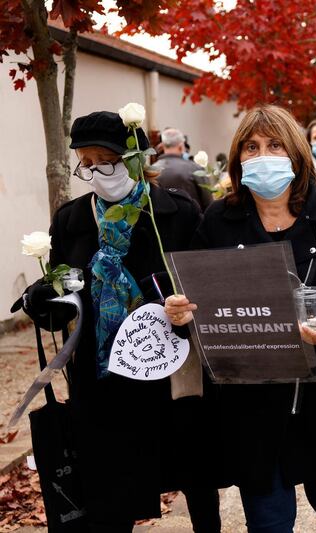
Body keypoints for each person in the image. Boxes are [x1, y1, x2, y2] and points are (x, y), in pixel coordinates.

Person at [165, 105, 316, 533]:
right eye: (251, 147)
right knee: (267, 520)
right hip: (251, 405)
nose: (262, 155)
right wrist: (180, 314)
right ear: (237, 160)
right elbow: (196, 297)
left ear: (296, 155)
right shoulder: (218, 220)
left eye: (274, 145)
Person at [41, 111, 220, 531]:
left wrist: (181, 305)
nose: (98, 170)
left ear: (135, 159)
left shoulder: (174, 212)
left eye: (107, 158)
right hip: (103, 377)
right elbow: (60, 298)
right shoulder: (72, 219)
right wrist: (45, 299)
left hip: (169, 366)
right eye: (87, 162)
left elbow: (203, 286)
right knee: (109, 485)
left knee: (194, 472)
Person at [155, 127, 213, 210]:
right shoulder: (195, 169)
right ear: (181, 146)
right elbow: (208, 203)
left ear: (162, 146)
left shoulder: (152, 171)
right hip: (193, 221)